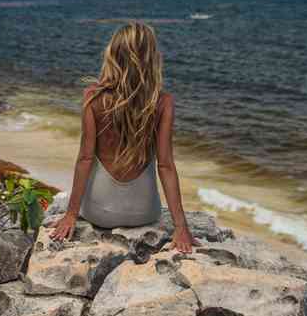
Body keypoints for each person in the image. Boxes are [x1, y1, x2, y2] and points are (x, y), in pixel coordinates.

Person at [49, 21, 197, 253]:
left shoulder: (93, 97)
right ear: (151, 57)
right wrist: (181, 227)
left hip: (99, 212)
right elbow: (166, 165)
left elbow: (85, 159)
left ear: (113, 54)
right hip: (144, 213)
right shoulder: (163, 102)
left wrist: (70, 214)